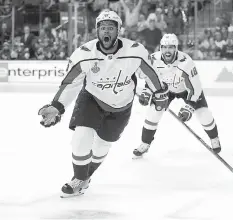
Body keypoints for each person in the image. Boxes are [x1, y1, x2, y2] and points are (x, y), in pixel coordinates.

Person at [38, 10, 169, 198]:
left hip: (121, 106)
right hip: (92, 99)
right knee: (81, 138)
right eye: (103, 28)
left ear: (118, 31)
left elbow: (149, 73)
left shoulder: (135, 51)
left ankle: (87, 176)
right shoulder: (83, 53)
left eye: (111, 28)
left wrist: (160, 90)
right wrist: (57, 106)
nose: (106, 31)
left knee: (102, 146)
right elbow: (70, 83)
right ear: (97, 31)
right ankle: (78, 179)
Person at [133, 33, 221, 159]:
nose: (167, 50)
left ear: (176, 48)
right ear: (160, 48)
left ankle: (214, 138)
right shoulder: (153, 59)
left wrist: (189, 106)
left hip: (187, 90)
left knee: (204, 115)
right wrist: (147, 92)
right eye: (164, 47)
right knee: (153, 113)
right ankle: (144, 143)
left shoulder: (186, 62)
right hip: (165, 90)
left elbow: (195, 88)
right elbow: (151, 78)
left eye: (171, 47)